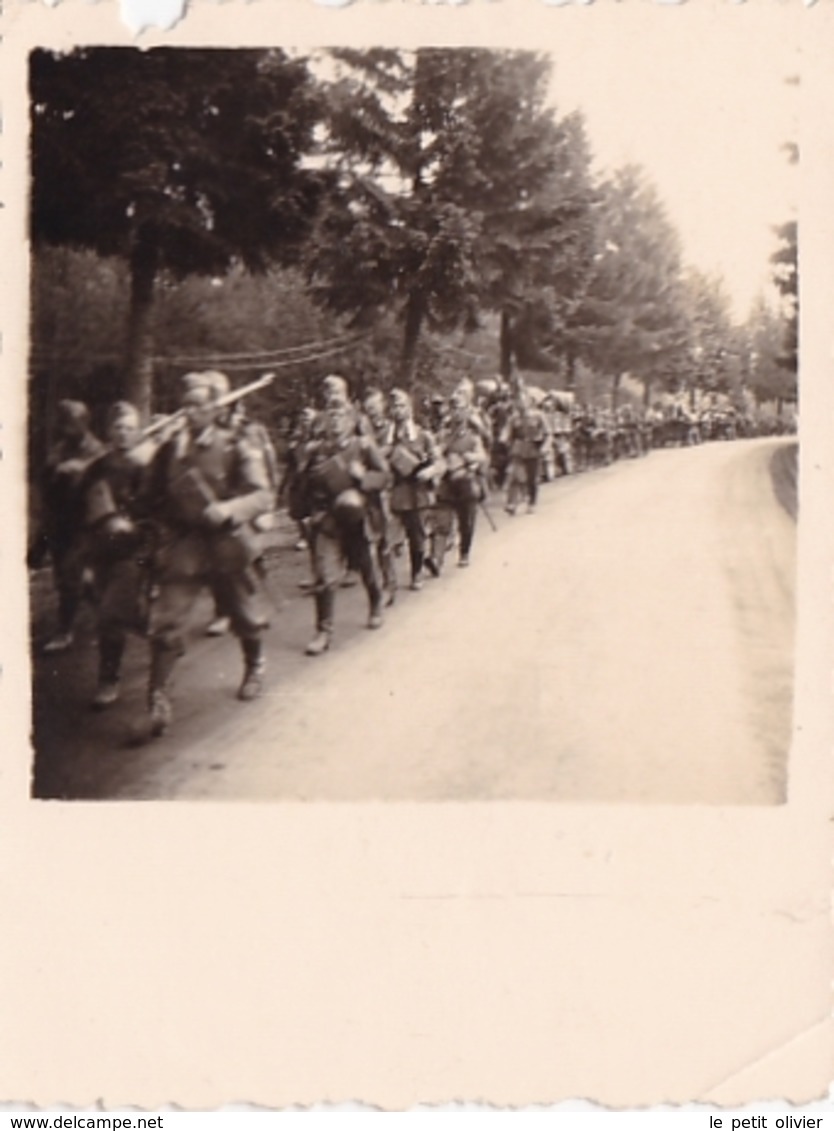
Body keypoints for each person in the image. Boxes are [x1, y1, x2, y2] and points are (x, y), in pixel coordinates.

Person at [141, 372, 276, 737]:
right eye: (187, 404)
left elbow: (263, 495)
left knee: (243, 614)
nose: (191, 411)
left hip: (224, 545)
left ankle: (255, 666)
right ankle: (158, 699)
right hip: (185, 547)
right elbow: (148, 497)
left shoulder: (235, 445)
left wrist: (230, 509)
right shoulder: (170, 449)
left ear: (215, 410)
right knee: (167, 620)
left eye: (200, 404)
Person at [297, 399, 390, 655]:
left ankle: (376, 603)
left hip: (358, 518)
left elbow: (386, 476)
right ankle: (323, 631)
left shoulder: (363, 445)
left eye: (341, 416)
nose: (336, 420)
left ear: (351, 420)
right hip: (328, 520)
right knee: (325, 576)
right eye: (332, 415)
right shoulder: (317, 450)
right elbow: (303, 486)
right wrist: (308, 511)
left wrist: (364, 477)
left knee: (366, 568)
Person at [78, 402, 153, 709]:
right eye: (118, 427)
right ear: (109, 431)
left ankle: (108, 679)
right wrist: (84, 558)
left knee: (110, 615)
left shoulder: (145, 468)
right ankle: (160, 635)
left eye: (130, 428)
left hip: (132, 552)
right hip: (101, 551)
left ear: (138, 432)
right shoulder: (96, 467)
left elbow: (154, 511)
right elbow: (84, 511)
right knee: (115, 609)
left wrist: (133, 526)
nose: (123, 433)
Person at [35, 399, 105, 653]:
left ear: (83, 422)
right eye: (64, 423)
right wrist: (57, 470)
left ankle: (65, 631)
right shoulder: (60, 448)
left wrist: (79, 471)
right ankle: (107, 612)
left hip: (85, 523)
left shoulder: (94, 449)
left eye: (72, 423)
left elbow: (101, 482)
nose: (67, 429)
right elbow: (45, 479)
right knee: (71, 577)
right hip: (60, 521)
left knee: (69, 575)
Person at [386, 388, 445, 590]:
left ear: (409, 409)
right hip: (393, 492)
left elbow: (439, 462)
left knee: (416, 537)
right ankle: (388, 578)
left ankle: (417, 572)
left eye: (401, 405)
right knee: (387, 536)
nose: (398, 410)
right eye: (394, 406)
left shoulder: (423, 435)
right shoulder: (386, 436)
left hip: (416, 493)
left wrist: (429, 472)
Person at [434, 390, 490, 570]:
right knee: (441, 521)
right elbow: (435, 453)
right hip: (447, 481)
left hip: (465, 482)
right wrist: (439, 455)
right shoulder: (444, 434)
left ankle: (464, 552)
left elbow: (482, 456)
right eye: (453, 407)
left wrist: (469, 458)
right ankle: (437, 559)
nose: (456, 412)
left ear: (467, 411)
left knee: (466, 521)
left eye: (460, 407)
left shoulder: (473, 435)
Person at [503, 392, 548, 515]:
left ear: (530, 402)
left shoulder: (539, 416)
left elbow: (547, 434)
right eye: (519, 401)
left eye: (524, 401)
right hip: (518, 448)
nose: (521, 403)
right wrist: (505, 439)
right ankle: (511, 503)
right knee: (514, 476)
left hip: (533, 449)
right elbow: (507, 432)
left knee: (531, 478)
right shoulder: (514, 417)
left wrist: (544, 447)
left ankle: (531, 502)